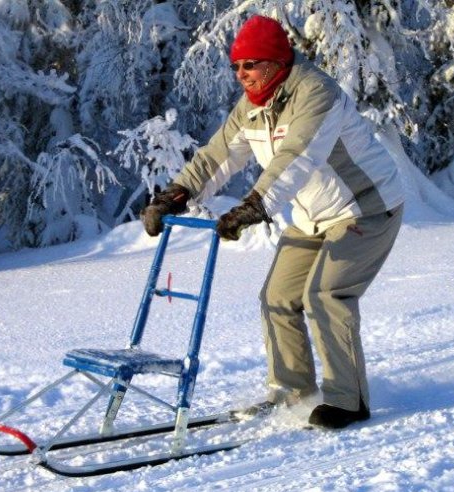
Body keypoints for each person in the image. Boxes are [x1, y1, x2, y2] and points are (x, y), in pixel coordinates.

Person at [141, 15, 404, 429]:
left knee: (326, 295)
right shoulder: (254, 107)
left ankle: (348, 400)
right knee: (277, 298)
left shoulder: (317, 94)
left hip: (366, 208)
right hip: (312, 215)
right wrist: (177, 195)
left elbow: (296, 156)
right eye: (236, 66)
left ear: (278, 62)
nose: (242, 75)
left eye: (251, 64)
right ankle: (293, 391)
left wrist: (254, 206)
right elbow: (217, 156)